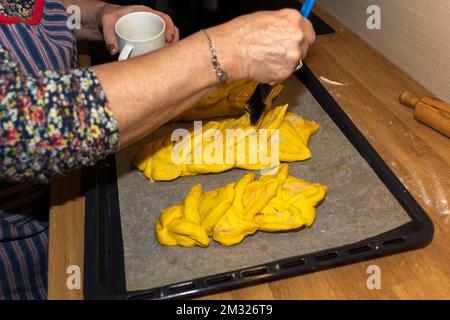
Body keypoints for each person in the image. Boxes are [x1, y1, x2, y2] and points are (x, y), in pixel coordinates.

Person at [0, 0, 316, 299]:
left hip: (70, 190)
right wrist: (230, 52)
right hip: (27, 261)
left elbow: (31, 9)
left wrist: (99, 16)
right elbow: (23, 124)